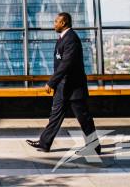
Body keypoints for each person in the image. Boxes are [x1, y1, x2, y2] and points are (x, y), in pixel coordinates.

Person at [26, 12, 101, 155]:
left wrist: (51, 82)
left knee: (84, 119)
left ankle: (94, 147)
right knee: (55, 115)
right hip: (63, 87)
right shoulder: (63, 38)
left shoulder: (71, 39)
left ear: (64, 23)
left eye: (56, 21)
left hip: (74, 88)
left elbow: (66, 64)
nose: (54, 24)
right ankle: (44, 143)